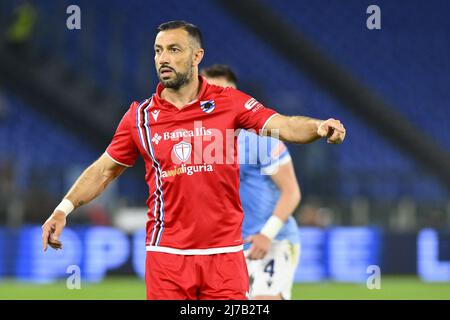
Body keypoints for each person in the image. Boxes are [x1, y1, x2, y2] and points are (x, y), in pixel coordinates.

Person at [41, 20, 346, 300]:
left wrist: (318, 127)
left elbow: (283, 125)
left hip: (225, 255)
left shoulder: (230, 103)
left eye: (174, 50)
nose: (164, 58)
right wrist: (63, 209)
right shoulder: (140, 117)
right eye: (158, 51)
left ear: (197, 56)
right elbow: (104, 171)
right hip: (167, 257)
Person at [202, 65, 301, 300]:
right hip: (229, 247)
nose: (220, 101)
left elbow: (291, 192)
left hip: (271, 240)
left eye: (226, 93)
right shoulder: (198, 142)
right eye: (211, 93)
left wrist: (267, 234)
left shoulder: (260, 138)